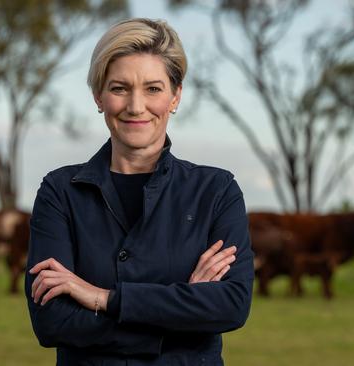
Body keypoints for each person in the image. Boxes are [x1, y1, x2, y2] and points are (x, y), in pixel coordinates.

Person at [25, 18, 254, 365]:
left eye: (153, 89)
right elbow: (53, 321)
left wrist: (103, 299)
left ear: (175, 96)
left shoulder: (216, 191)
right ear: (98, 96)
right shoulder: (60, 192)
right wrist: (184, 312)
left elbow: (231, 305)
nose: (135, 106)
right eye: (119, 88)